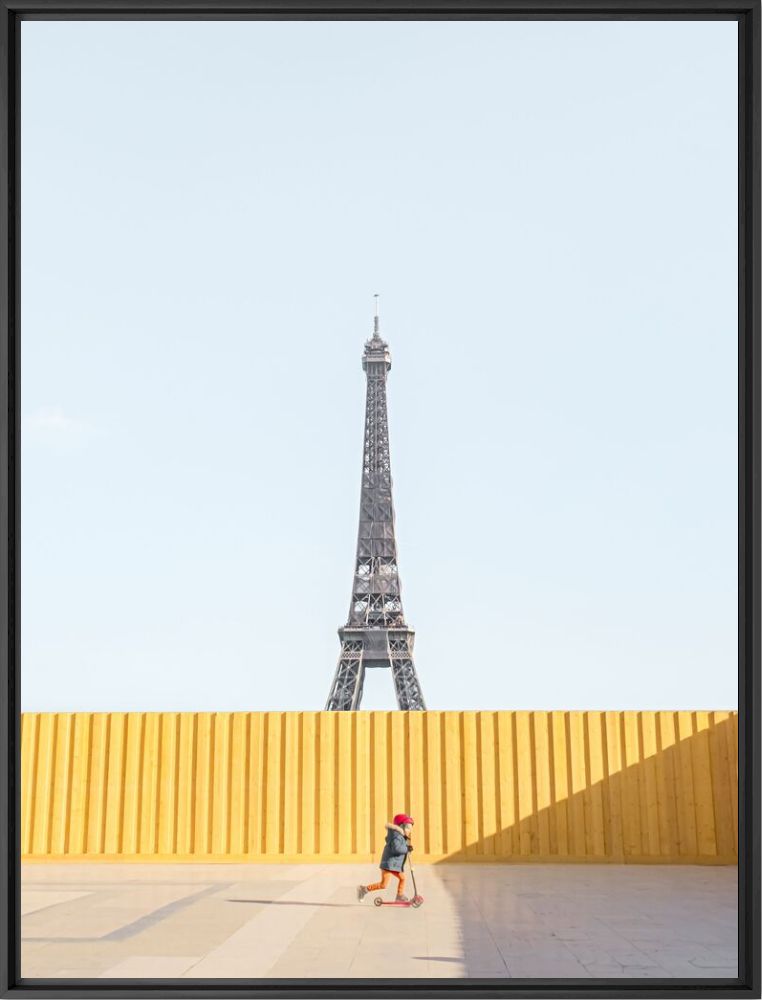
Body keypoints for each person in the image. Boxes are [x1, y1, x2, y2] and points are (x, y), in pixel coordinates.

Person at [358, 813, 415, 902]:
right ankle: (364, 889)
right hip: (388, 865)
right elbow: (397, 849)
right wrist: (406, 848)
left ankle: (399, 896)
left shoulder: (400, 836)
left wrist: (407, 848)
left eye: (411, 828)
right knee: (384, 885)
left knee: (402, 878)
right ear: (401, 826)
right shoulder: (396, 836)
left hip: (393, 864)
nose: (409, 830)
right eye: (408, 827)